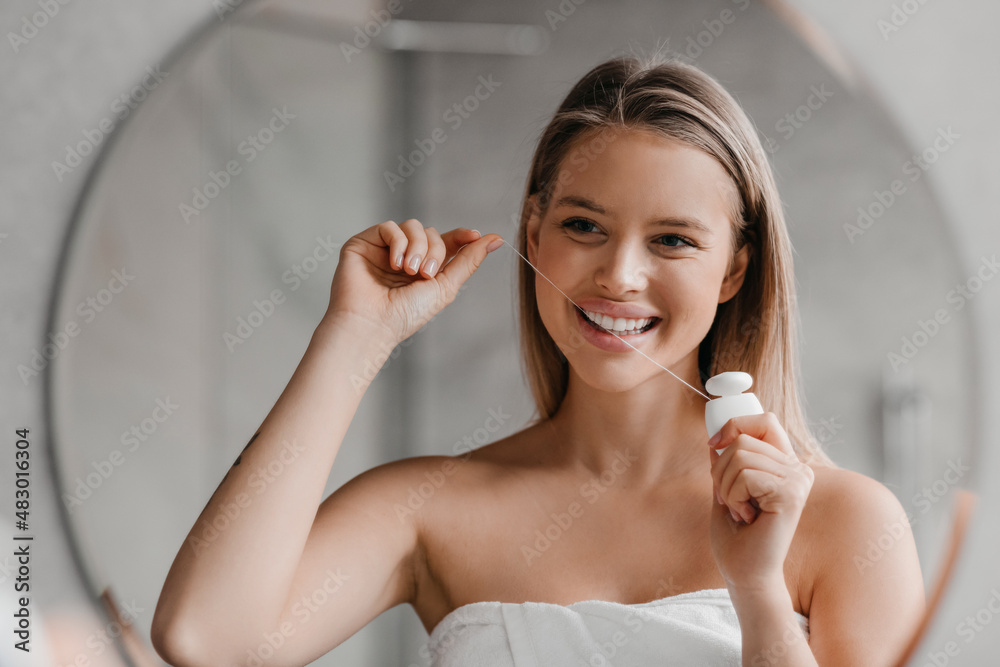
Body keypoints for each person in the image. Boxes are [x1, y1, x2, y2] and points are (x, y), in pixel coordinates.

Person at [152, 53, 925, 666]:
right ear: (533, 233)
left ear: (734, 270)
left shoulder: (845, 524)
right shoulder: (426, 509)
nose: (620, 274)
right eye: (584, 225)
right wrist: (355, 336)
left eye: (673, 239)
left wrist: (758, 590)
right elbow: (205, 638)